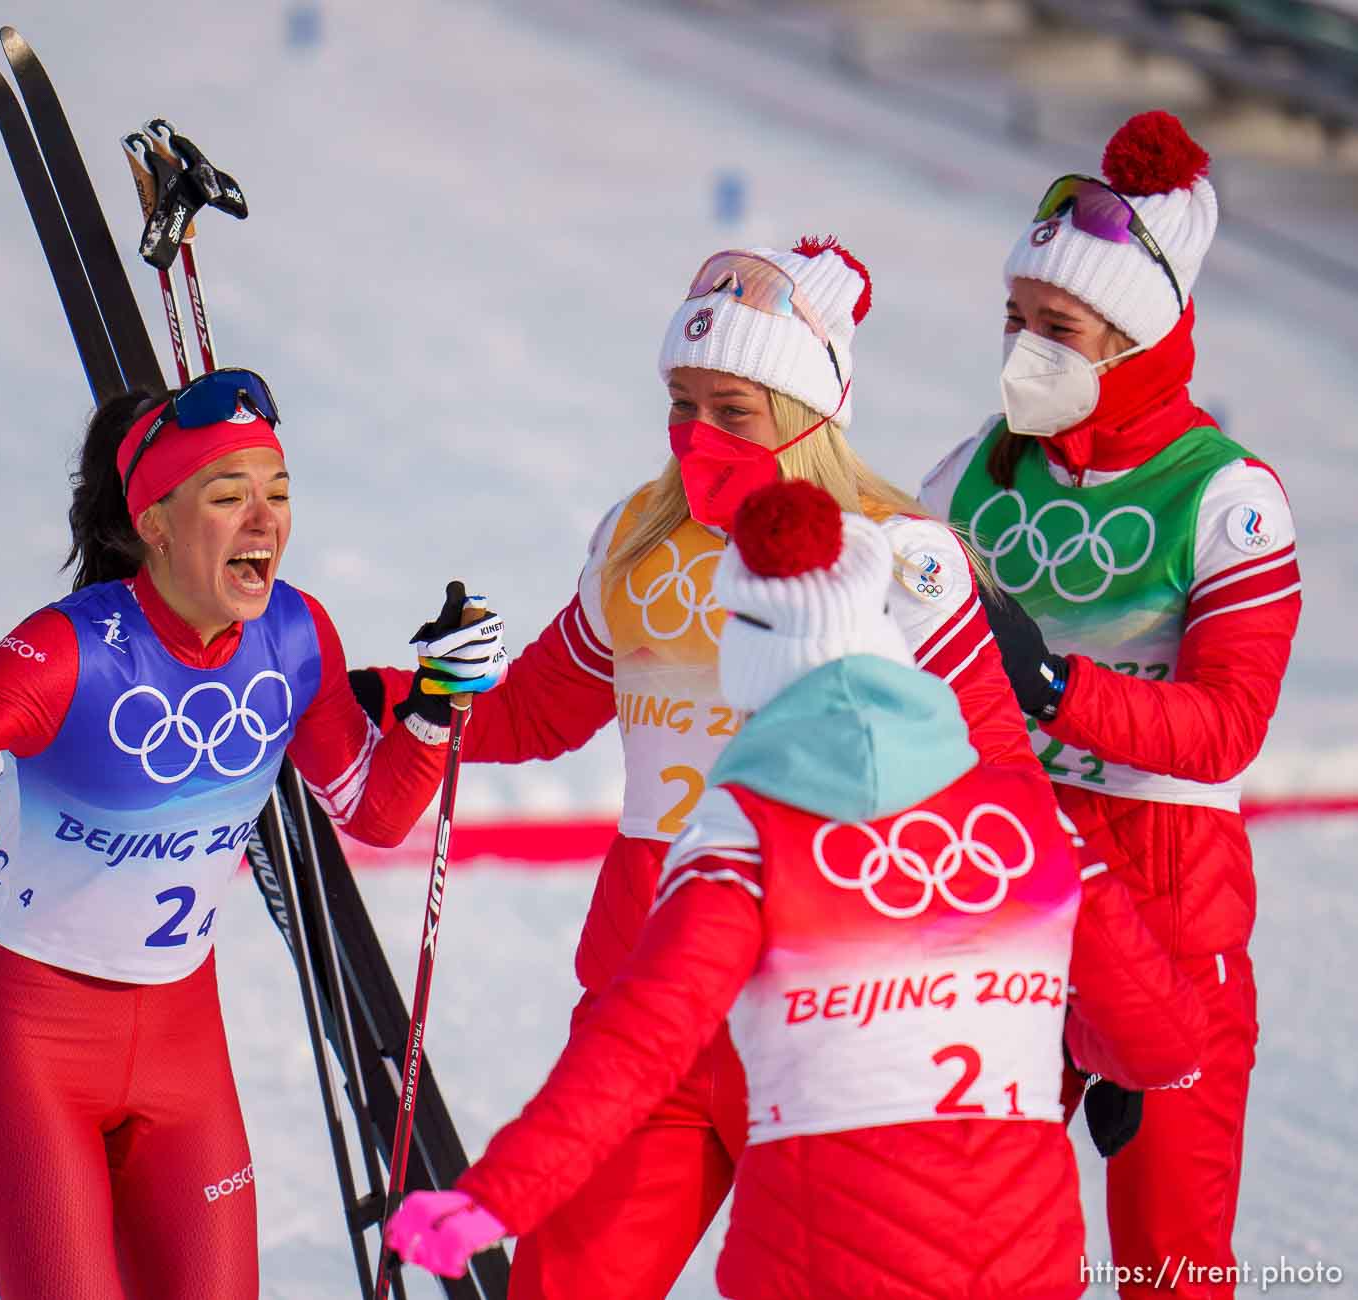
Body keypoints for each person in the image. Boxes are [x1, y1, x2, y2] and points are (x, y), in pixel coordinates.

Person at [351, 235, 1047, 1298]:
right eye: (680, 403)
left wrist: (1071, 1017)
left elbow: (1004, 794)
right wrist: (414, 697)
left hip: (825, 1030)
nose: (695, 436)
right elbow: (539, 710)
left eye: (732, 409)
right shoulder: (636, 535)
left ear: (810, 415)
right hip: (648, 1003)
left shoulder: (895, 556)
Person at [382, 480, 1207, 1299]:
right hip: (1021, 1266)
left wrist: (495, 1196)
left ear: (754, 651)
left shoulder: (746, 838)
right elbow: (1161, 1038)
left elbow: (638, 1045)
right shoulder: (1026, 816)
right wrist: (1062, 1046)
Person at [0, 368, 509, 1300]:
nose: (263, 521)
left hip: (180, 1035)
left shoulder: (294, 633)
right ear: (153, 522)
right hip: (34, 1035)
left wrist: (434, 709)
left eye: (277, 495)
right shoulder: (68, 651)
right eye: (227, 496)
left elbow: (373, 807)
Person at [918, 112, 1302, 1298]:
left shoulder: (1225, 496)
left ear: (1132, 338)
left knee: (1169, 1265)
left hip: (1166, 905)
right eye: (1015, 321)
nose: (1024, 348)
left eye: (1058, 328)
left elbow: (1223, 729)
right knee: (972, 1250)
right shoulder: (972, 472)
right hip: (1004, 890)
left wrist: (1051, 684)